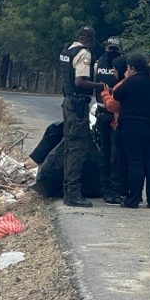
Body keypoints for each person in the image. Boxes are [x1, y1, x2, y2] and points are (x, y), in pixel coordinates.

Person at [113, 54, 150, 208]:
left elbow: (116, 95)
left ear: (132, 68)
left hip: (132, 127)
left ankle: (134, 199)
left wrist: (126, 78)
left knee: (135, 162)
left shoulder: (130, 82)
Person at [59, 26, 105, 207]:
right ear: (91, 41)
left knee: (69, 147)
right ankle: (73, 194)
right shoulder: (84, 53)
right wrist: (99, 86)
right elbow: (80, 81)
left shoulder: (67, 51)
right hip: (78, 105)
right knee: (78, 148)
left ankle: (67, 190)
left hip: (67, 103)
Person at [94, 36, 125, 205]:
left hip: (117, 114)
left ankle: (116, 189)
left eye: (115, 49)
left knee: (116, 155)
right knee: (104, 153)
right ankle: (106, 190)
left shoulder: (123, 64)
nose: (112, 52)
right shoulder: (99, 63)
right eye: (110, 48)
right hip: (101, 111)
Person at [98, 56, 129, 203]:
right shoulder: (130, 82)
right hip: (113, 119)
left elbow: (112, 105)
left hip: (117, 120)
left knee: (113, 156)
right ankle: (115, 190)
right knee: (111, 155)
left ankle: (114, 190)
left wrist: (104, 92)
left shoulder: (123, 84)